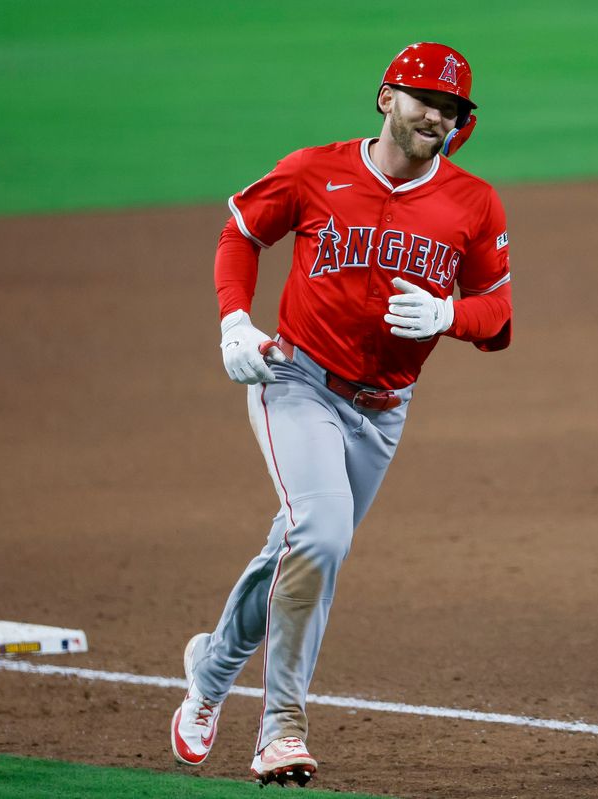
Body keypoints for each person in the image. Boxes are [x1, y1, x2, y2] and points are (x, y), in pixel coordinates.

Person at [170, 41, 512, 787]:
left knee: (297, 545)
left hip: (383, 413)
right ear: (386, 97)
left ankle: (212, 668)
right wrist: (235, 321)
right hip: (297, 381)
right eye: (424, 98)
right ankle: (280, 730)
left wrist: (451, 312)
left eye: (451, 108)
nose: (436, 115)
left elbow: (500, 316)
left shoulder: (473, 203)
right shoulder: (314, 170)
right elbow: (242, 230)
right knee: (322, 534)